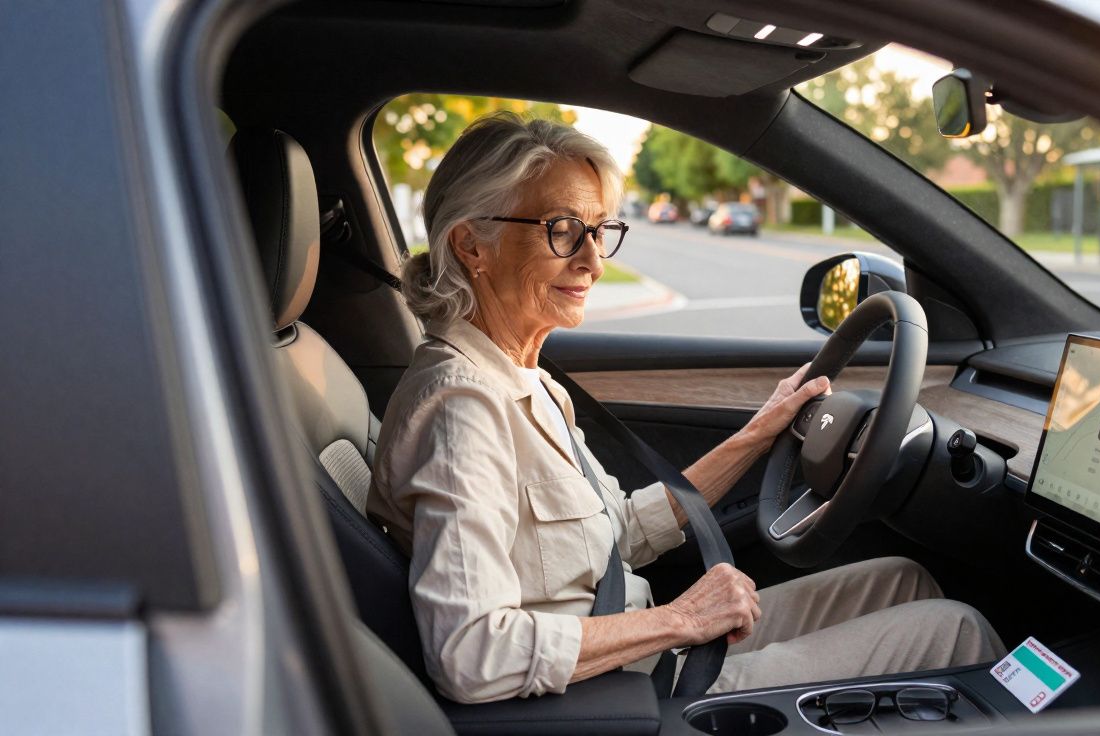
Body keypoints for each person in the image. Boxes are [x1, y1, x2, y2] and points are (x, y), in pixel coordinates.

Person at [367, 112, 1003, 705]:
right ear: (472, 246)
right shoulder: (462, 409)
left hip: (640, 648)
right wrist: (682, 620)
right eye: (562, 230)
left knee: (901, 579)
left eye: (598, 231)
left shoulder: (521, 380)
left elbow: (617, 530)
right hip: (632, 693)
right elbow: (470, 653)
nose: (592, 262)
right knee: (956, 630)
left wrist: (759, 433)